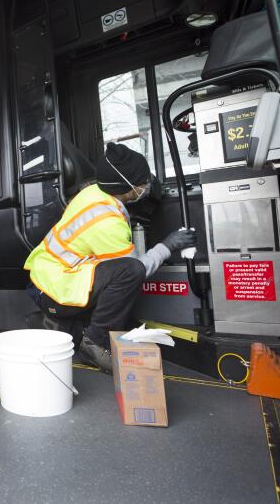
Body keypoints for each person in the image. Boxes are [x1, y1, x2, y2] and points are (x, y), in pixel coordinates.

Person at [24, 142, 196, 373]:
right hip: (54, 289)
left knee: (120, 279)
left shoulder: (93, 192)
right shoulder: (107, 222)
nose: (145, 186)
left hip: (48, 277)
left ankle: (65, 325)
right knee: (130, 272)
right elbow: (137, 269)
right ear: (125, 187)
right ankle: (94, 342)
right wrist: (167, 245)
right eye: (142, 183)